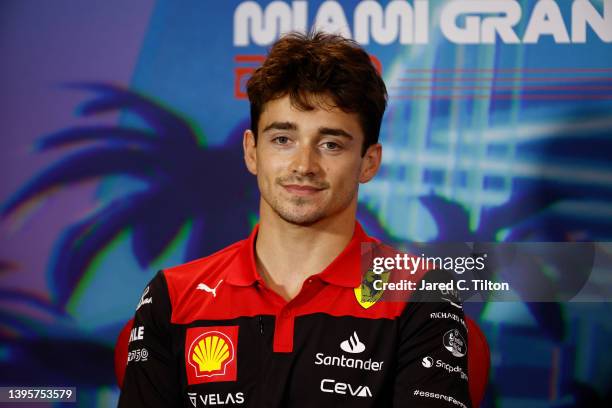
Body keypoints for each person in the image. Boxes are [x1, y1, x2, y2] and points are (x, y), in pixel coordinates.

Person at [118, 31, 471, 407]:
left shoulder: (418, 294)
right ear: (252, 152)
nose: (304, 166)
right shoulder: (173, 296)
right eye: (283, 140)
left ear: (369, 162)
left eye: (330, 144)